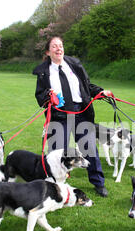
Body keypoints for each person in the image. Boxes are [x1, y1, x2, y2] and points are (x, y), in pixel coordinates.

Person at [32, 36, 112, 197]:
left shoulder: (74, 65)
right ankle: (55, 186)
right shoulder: (44, 72)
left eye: (60, 45)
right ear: (48, 52)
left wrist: (100, 92)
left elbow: (86, 86)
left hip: (81, 112)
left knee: (89, 148)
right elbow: (39, 96)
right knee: (57, 152)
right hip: (59, 115)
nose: (58, 48)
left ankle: (98, 183)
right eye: (54, 46)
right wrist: (48, 96)